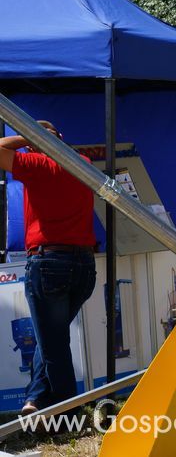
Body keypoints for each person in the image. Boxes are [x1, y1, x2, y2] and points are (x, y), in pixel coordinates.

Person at [0, 121, 96, 416]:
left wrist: (27, 136)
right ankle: (36, 399)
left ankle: (68, 416)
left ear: (36, 143)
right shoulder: (84, 163)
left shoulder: (37, 164)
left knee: (54, 346)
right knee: (51, 338)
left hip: (49, 263)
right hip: (82, 264)